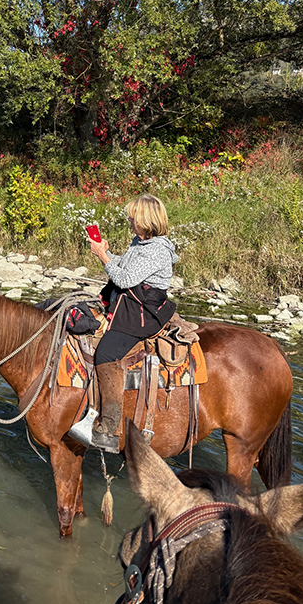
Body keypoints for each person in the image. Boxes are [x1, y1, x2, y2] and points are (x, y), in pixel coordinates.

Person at [87, 193, 177, 452]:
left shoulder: (158, 250)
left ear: (146, 220)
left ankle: (109, 429)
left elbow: (125, 280)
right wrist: (105, 253)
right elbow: (124, 268)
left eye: (133, 217)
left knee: (106, 352)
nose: (129, 220)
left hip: (143, 313)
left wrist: (103, 258)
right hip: (130, 306)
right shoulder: (140, 243)